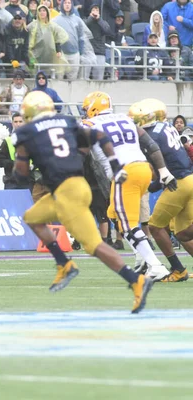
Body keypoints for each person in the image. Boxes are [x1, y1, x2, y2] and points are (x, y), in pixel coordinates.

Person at [14, 91, 153, 314]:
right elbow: (99, 136)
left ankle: (136, 280)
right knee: (32, 218)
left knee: (94, 246)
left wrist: (22, 160)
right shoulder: (68, 122)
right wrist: (115, 165)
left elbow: (20, 174)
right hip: (75, 187)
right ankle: (64, 264)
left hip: (68, 194)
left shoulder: (27, 132)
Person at [82, 91, 175, 281]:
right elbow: (151, 145)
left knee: (128, 225)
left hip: (124, 173)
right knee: (113, 213)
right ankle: (141, 257)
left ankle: (155, 266)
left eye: (86, 109)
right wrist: (164, 172)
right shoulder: (126, 119)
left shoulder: (89, 124)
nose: (85, 113)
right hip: (143, 169)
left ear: (93, 107)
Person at [131, 99, 192, 282]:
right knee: (183, 233)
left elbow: (157, 166)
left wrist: (150, 185)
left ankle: (178, 269)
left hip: (178, 183)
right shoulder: (167, 127)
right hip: (189, 178)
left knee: (156, 227)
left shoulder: (150, 135)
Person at [27, 5, 68, 77]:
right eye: (40, 11)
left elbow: (59, 36)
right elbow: (24, 32)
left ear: (47, 13)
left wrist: (58, 50)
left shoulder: (52, 25)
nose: (42, 12)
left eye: (44, 11)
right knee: (33, 74)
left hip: (49, 56)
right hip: (33, 55)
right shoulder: (32, 25)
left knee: (48, 76)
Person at [0, 112, 31, 189]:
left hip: (28, 181)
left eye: (20, 121)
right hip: (11, 181)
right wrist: (14, 163)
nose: (18, 124)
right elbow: (0, 161)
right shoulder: (7, 140)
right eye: (15, 122)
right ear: (12, 123)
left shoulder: (31, 140)